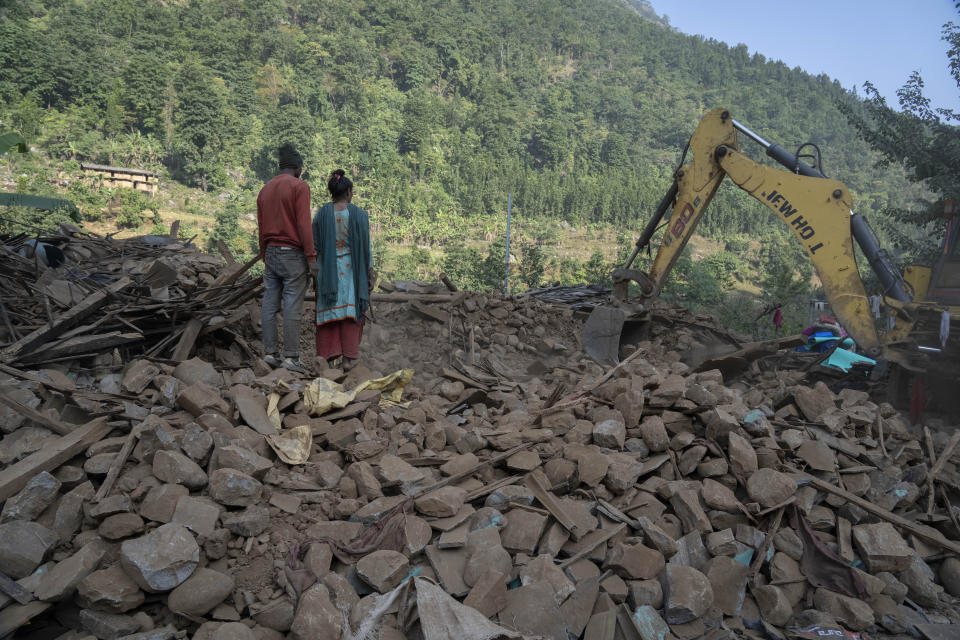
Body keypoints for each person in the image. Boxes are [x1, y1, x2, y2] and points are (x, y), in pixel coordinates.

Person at [256, 143, 317, 373]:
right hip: (292, 254)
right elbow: (303, 224)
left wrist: (264, 253)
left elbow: (261, 226)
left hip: (271, 251)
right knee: (292, 304)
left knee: (270, 302)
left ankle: (270, 354)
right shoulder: (299, 187)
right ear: (298, 168)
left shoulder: (265, 189)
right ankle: (291, 357)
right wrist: (311, 257)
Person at [312, 169, 374, 370]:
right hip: (352, 273)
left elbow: (315, 245)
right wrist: (370, 273)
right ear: (348, 192)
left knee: (329, 313)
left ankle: (327, 359)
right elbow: (366, 248)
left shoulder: (322, 214)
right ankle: (348, 360)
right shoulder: (358, 214)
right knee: (350, 313)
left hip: (327, 272)